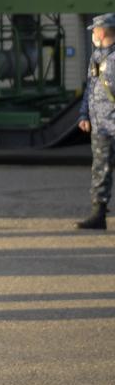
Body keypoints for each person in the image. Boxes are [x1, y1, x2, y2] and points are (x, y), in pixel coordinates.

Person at [75, 13, 115, 230]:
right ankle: (98, 213)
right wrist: (84, 115)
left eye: (94, 30)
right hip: (100, 126)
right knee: (100, 169)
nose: (92, 33)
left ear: (103, 31)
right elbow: (90, 89)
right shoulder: (97, 57)